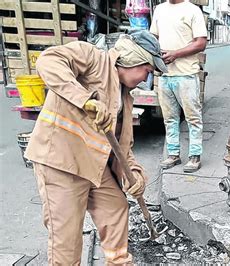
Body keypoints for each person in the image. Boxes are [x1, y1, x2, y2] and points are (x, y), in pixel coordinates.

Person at [24, 30, 168, 264]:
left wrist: (137, 174)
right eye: (148, 71)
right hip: (62, 162)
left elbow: (123, 148)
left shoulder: (127, 97)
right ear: (133, 59)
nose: (146, 78)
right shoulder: (92, 58)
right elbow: (48, 61)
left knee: (117, 208)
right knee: (66, 241)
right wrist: (84, 99)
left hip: (95, 167)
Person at [149, 0, 207, 172]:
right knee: (169, 119)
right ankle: (173, 155)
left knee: (193, 118)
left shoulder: (193, 10)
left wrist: (175, 54)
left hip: (187, 74)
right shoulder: (159, 9)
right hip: (165, 74)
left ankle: (194, 157)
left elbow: (201, 43)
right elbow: (154, 38)